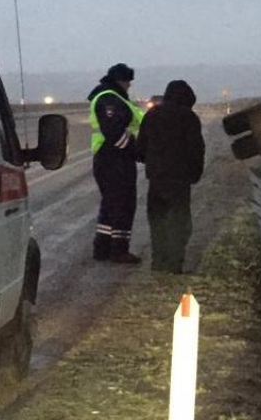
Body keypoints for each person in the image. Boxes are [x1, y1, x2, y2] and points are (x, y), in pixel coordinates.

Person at [137, 80, 205, 273]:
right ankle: (174, 264)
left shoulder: (151, 115)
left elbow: (140, 148)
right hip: (180, 179)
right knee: (179, 222)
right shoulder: (189, 118)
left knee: (157, 222)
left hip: (156, 179)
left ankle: (159, 262)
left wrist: (149, 161)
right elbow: (197, 149)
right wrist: (195, 173)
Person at [88, 63, 144, 264]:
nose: (129, 86)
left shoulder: (112, 97)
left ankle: (102, 247)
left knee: (111, 203)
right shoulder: (109, 99)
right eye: (128, 82)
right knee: (123, 203)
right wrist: (136, 150)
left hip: (110, 157)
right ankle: (119, 250)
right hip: (114, 158)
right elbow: (113, 132)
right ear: (121, 81)